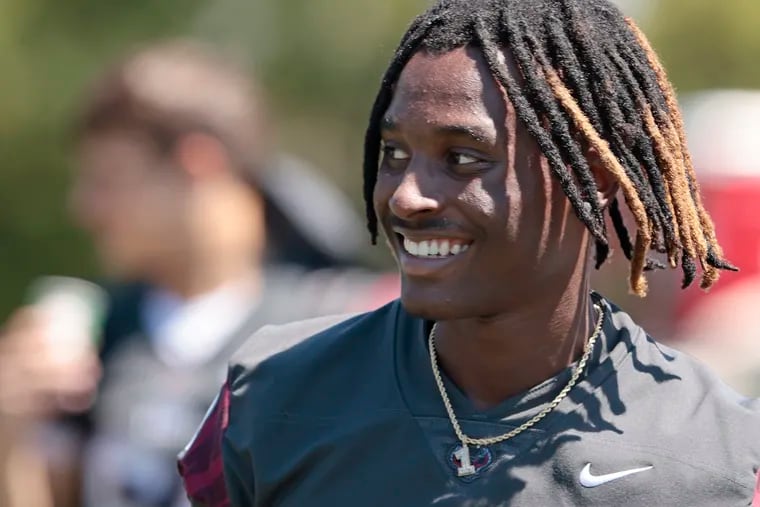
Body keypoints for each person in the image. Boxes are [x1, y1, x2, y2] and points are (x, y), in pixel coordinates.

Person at [178, 1, 760, 505]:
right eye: (395, 154)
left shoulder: (720, 457)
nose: (407, 197)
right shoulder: (269, 398)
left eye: (462, 159)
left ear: (594, 174)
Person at [0, 41, 396, 507]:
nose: (84, 208)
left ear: (197, 163)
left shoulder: (350, 324)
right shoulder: (94, 339)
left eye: (107, 179)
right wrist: (10, 430)